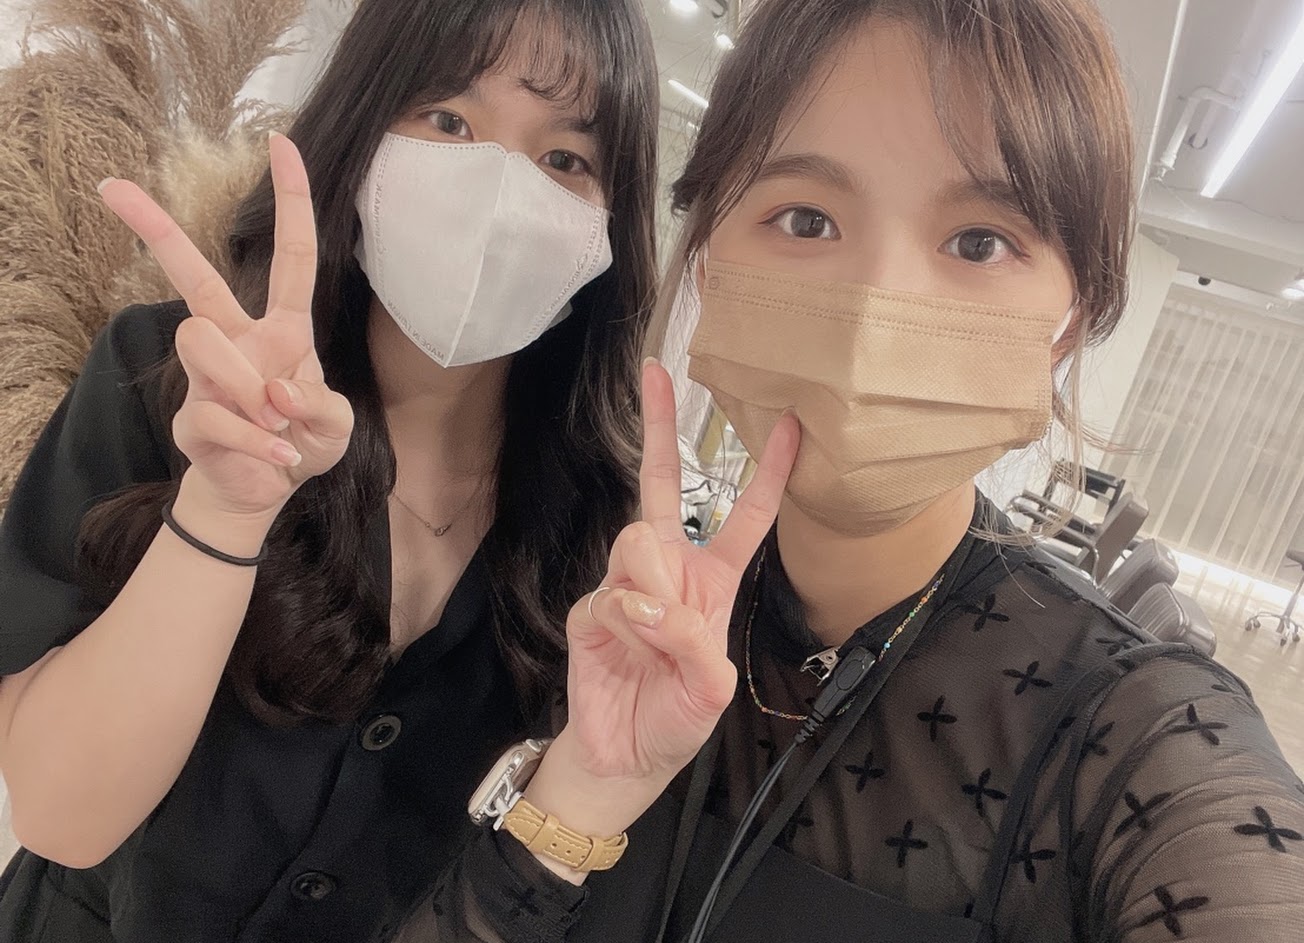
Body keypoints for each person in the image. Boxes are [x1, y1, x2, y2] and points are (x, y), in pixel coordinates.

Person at [395, 1, 1304, 940]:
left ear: (1067, 323)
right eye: (806, 219)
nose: (876, 304)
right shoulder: (619, 608)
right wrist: (579, 795)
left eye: (979, 241)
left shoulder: (1139, 740)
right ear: (707, 260)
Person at [0, 0, 664, 939]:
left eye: (566, 159)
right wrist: (222, 510)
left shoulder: (603, 524)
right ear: (364, 125)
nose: (501, 191)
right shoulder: (172, 380)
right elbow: (60, 814)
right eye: (449, 120)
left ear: (610, 225)